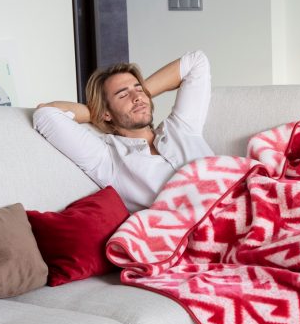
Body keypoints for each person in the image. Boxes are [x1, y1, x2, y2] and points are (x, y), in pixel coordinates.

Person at [34, 51, 214, 212]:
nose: (137, 97)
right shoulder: (108, 159)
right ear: (106, 113)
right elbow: (45, 114)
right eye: (123, 95)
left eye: (139, 89)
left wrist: (142, 95)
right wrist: (98, 111)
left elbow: (196, 62)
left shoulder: (181, 127)